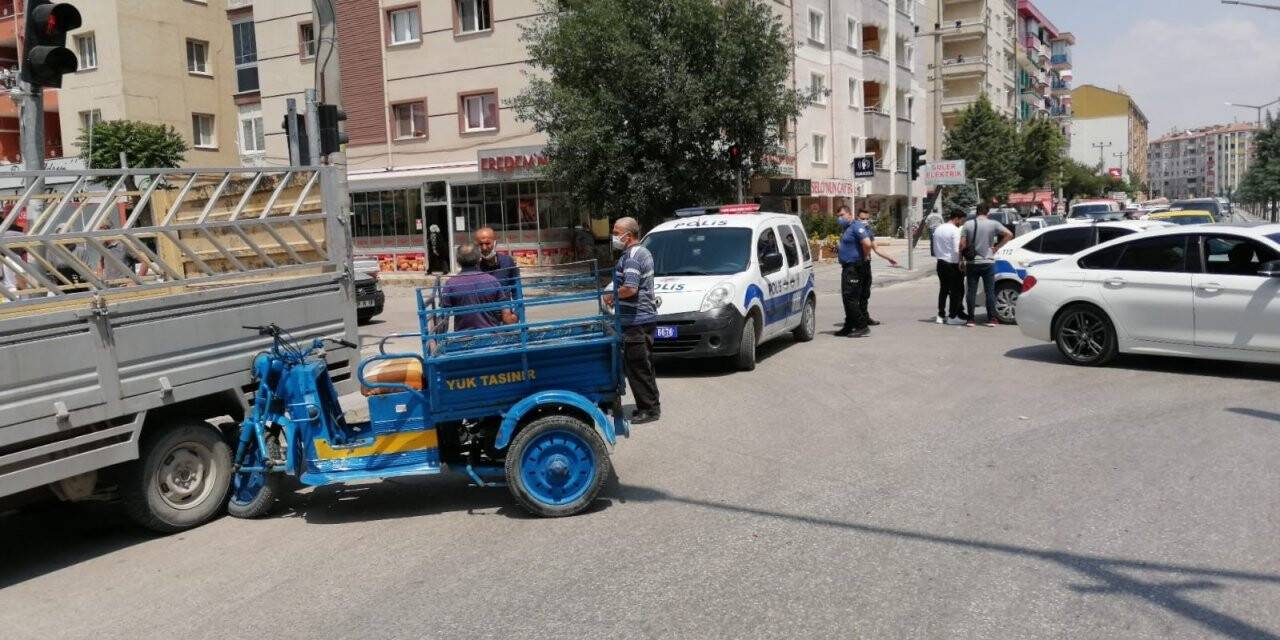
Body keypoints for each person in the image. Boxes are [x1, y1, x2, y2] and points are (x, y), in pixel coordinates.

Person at [602, 217, 660, 424]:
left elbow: (630, 288)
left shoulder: (634, 256)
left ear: (628, 235)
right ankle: (650, 405)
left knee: (637, 366)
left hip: (636, 321)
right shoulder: (637, 252)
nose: (614, 236)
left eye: (617, 232)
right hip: (642, 319)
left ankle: (649, 410)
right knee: (644, 365)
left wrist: (611, 296)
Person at [438, 244, 517, 333]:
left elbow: (443, 318)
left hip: (463, 338)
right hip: (491, 337)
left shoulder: (450, 284)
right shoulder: (492, 281)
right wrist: (517, 316)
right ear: (479, 259)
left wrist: (436, 339)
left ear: (457, 261)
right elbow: (506, 316)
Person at [959, 203, 1013, 327]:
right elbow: (1009, 234)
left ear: (976, 212)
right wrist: (997, 247)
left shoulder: (968, 224)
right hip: (988, 262)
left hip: (972, 262)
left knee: (971, 291)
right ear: (987, 213)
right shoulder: (993, 224)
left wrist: (961, 260)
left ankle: (971, 319)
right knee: (990, 291)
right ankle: (991, 319)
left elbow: (962, 244)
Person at [856, 209, 899, 325]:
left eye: (866, 219)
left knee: (865, 292)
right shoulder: (852, 230)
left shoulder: (868, 231)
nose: (865, 221)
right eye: (862, 219)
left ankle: (864, 317)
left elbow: (876, 248)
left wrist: (889, 257)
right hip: (855, 266)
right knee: (856, 293)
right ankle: (856, 319)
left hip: (866, 264)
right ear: (857, 218)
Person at [835, 205, 872, 337]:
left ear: (849, 214)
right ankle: (849, 326)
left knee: (850, 298)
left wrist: (864, 256)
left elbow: (867, 243)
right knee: (847, 298)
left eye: (842, 215)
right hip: (847, 267)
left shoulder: (856, 226)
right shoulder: (846, 228)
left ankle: (862, 326)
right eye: (838, 216)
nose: (840, 218)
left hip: (854, 268)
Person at [931, 210, 965, 324]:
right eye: (961, 220)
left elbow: (934, 248)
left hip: (940, 262)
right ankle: (952, 316)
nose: (961, 223)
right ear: (956, 218)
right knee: (955, 291)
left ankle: (940, 315)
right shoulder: (955, 230)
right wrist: (961, 261)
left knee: (943, 289)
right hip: (952, 263)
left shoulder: (938, 229)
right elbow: (956, 249)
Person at [473, 226, 521, 296]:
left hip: (504, 305)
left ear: (495, 243)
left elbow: (516, 288)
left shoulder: (507, 262)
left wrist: (519, 306)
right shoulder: (474, 266)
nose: (484, 248)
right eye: (480, 244)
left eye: (487, 243)